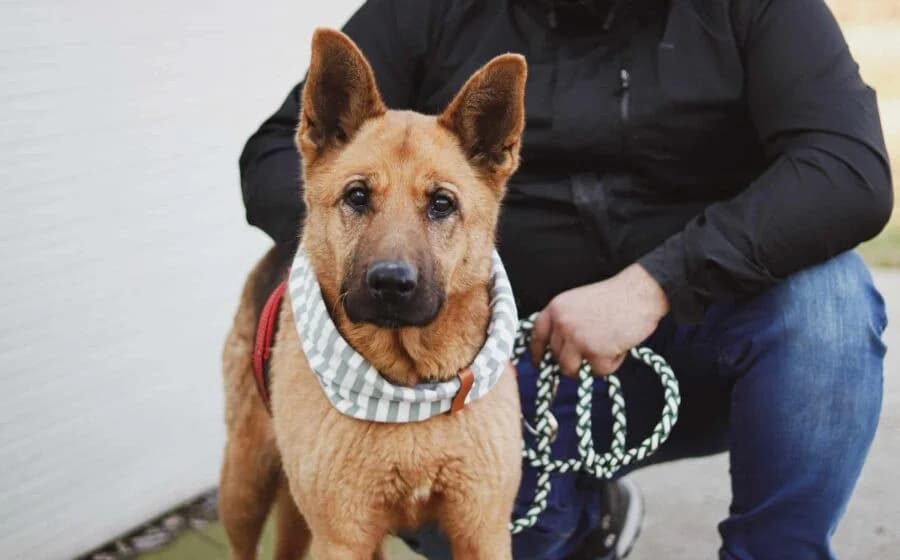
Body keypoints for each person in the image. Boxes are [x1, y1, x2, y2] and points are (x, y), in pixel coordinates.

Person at [238, 0, 893, 558]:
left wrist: (655, 285)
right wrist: (371, 252)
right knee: (500, 526)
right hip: (500, 369)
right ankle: (584, 523)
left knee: (830, 305)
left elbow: (849, 173)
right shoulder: (433, 9)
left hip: (714, 346)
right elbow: (273, 154)